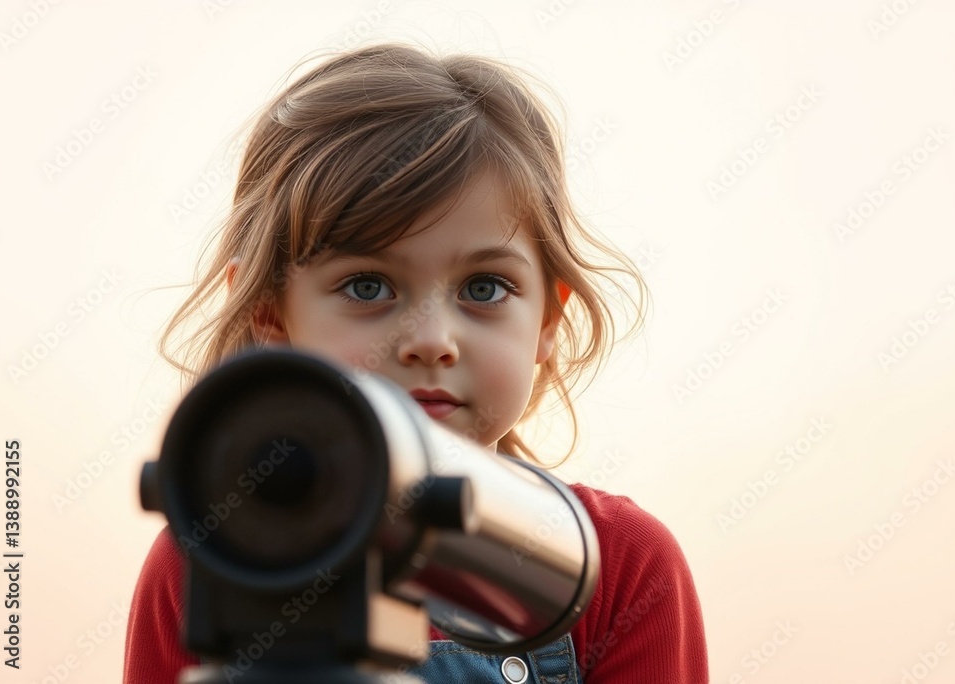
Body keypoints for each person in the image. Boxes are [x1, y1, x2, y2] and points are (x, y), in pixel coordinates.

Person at [123, 42, 708, 683]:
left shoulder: (622, 566)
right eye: (368, 286)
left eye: (483, 288)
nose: (431, 340)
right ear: (269, 315)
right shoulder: (210, 557)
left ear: (547, 320)